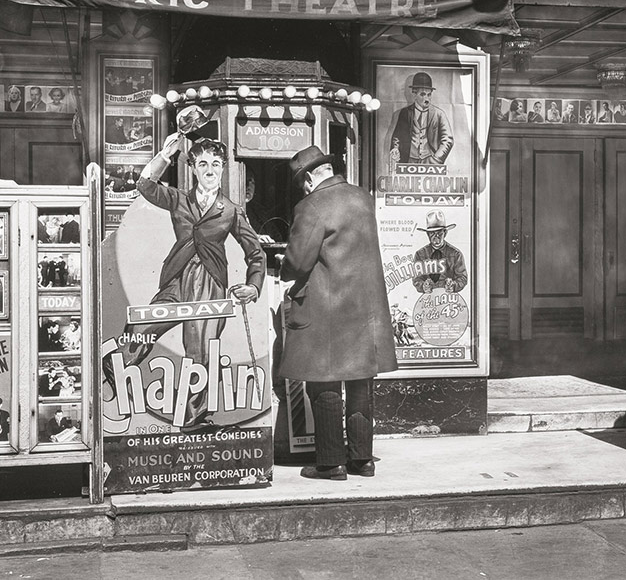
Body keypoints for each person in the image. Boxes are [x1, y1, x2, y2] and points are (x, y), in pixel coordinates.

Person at [119, 132, 266, 431]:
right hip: (177, 278)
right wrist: (164, 155)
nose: (209, 170)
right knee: (140, 328)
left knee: (199, 352)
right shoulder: (178, 198)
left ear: (223, 168)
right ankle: (118, 377)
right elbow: (145, 186)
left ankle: (193, 420)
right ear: (193, 168)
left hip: (210, 283)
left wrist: (253, 286)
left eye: (215, 164)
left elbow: (256, 252)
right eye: (202, 164)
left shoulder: (232, 210)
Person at [279, 146, 398, 481]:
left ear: (312, 176)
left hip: (327, 307)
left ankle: (331, 463)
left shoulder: (312, 205)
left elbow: (299, 262)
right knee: (360, 381)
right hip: (365, 307)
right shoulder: (362, 198)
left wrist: (283, 267)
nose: (304, 187)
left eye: (304, 180)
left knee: (324, 383)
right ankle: (362, 460)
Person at [386, 72, 454, 173]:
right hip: (408, 162)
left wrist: (436, 160)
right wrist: (395, 149)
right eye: (422, 94)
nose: (426, 98)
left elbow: (448, 140)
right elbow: (397, 136)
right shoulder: (405, 113)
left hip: (431, 162)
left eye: (429, 94)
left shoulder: (439, 114)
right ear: (414, 94)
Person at [410, 211, 468, 294]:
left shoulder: (456, 254)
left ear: (445, 233)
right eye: (432, 233)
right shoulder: (420, 254)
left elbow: (462, 278)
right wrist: (423, 286)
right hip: (426, 300)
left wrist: (454, 285)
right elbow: (416, 279)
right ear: (427, 234)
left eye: (439, 233)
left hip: (450, 299)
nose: (436, 237)